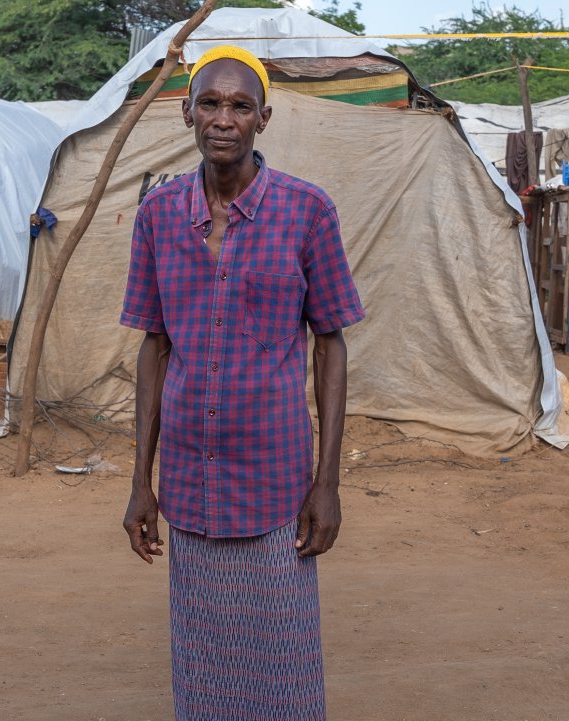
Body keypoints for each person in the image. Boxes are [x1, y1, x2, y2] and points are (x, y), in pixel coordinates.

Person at [120, 45, 364, 721]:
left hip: (277, 481)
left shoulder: (307, 211)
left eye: (240, 106)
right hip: (191, 484)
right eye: (210, 103)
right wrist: (142, 480)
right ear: (186, 113)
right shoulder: (158, 215)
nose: (223, 119)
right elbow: (154, 345)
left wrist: (328, 482)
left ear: (263, 119)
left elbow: (331, 343)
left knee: (282, 662)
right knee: (202, 662)